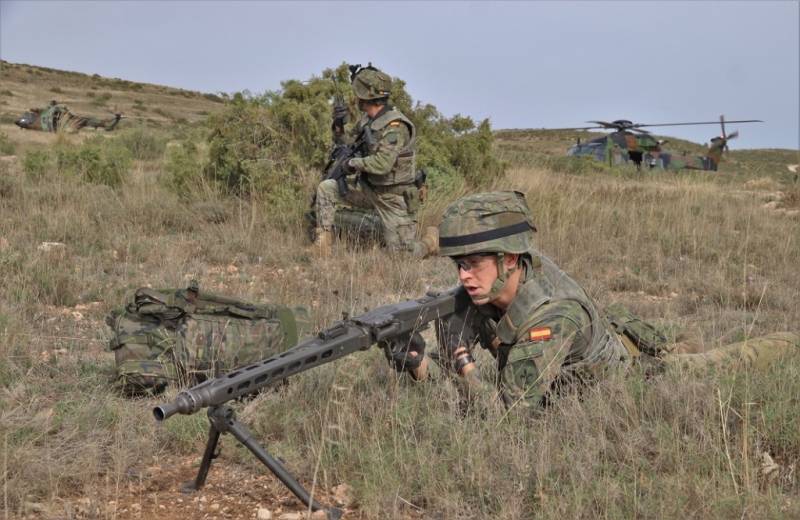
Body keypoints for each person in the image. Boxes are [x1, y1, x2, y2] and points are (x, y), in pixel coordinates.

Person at [394, 191, 798, 412]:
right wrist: (417, 363)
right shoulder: (504, 276)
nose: (464, 276)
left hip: (636, 381)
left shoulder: (552, 314)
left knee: (724, 363)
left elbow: (510, 418)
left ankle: (788, 340)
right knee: (672, 338)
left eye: (474, 264)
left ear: (511, 260)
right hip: (602, 339)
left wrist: (464, 367)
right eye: (459, 265)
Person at [314, 65, 438, 258]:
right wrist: (338, 125)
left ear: (365, 97)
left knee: (401, 257)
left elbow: (382, 164)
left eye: (357, 94)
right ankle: (323, 248)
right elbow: (347, 144)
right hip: (369, 189)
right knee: (327, 188)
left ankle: (430, 242)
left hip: (393, 199)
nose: (355, 98)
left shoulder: (395, 126)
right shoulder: (367, 121)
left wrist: (352, 164)